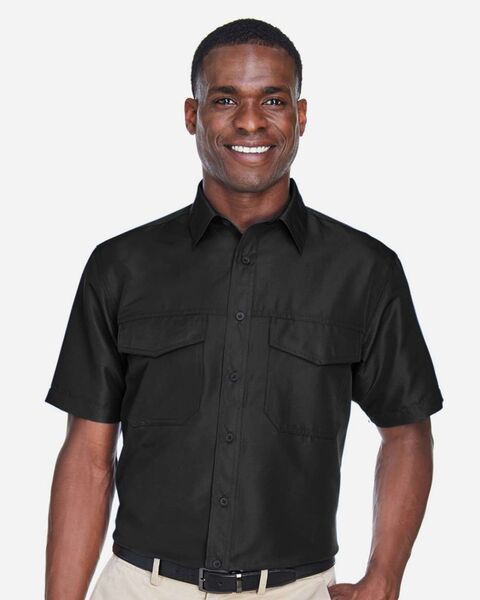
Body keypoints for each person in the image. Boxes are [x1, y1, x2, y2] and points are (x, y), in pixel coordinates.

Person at [44, 17, 444, 600]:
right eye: (225, 99)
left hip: (295, 590)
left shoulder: (365, 271)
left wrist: (385, 576)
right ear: (192, 114)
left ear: (300, 116)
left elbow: (407, 432)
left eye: (273, 101)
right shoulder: (121, 266)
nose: (250, 121)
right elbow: (87, 455)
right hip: (140, 586)